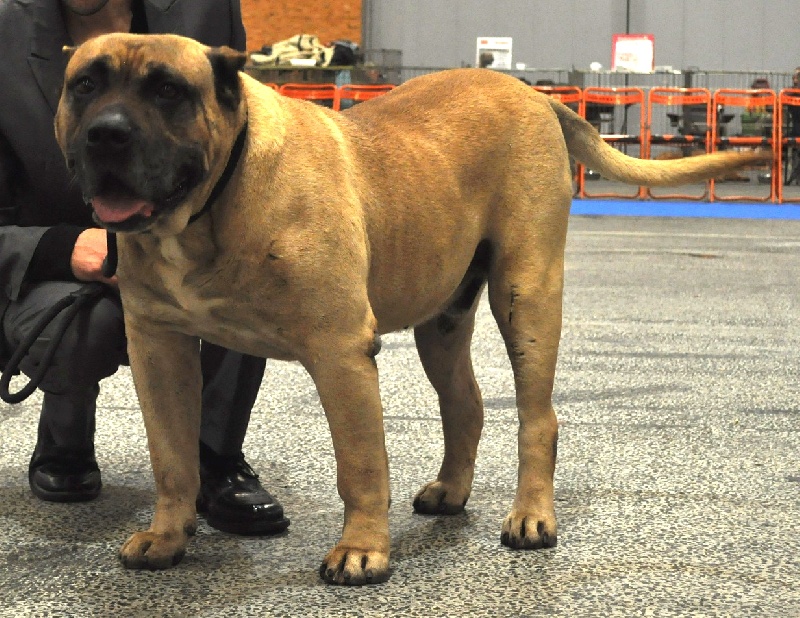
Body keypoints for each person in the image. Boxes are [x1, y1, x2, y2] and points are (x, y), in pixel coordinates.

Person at [0, 0, 290, 536]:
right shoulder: (5, 31)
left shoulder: (205, 12)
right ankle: (64, 436)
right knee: (84, 327)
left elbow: (242, 131)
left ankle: (216, 460)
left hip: (190, 231)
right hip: (66, 260)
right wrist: (64, 247)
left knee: (243, 273)